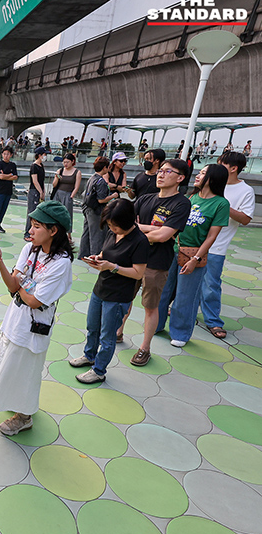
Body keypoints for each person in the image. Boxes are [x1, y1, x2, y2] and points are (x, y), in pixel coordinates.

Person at [0, 201, 73, 435]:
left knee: (26, 371)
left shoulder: (61, 263)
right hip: (16, 318)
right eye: (31, 225)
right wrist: (0, 262)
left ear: (53, 230)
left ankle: (24, 416)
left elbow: (35, 301)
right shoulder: (30, 249)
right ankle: (14, 404)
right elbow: (13, 285)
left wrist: (20, 284)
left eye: (37, 226)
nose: (30, 231)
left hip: (34, 326)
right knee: (7, 362)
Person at [69, 199, 148, 383]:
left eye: (115, 225)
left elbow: (138, 273)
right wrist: (98, 259)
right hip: (101, 288)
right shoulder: (113, 234)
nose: (112, 229)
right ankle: (89, 356)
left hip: (119, 296)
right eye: (110, 225)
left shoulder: (139, 241)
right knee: (92, 327)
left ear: (127, 221)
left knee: (108, 336)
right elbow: (106, 253)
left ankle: (99, 370)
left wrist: (112, 267)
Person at [126, 159, 191, 364]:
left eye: (167, 171)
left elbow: (163, 236)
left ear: (180, 178)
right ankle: (117, 332)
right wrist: (152, 230)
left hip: (157, 262)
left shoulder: (181, 203)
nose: (160, 175)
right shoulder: (145, 198)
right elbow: (126, 225)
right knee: (124, 299)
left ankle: (144, 348)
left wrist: (140, 229)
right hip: (133, 257)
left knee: (151, 306)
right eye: (160, 171)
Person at [157, 164, 229, 347]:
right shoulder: (191, 197)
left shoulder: (221, 204)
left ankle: (180, 333)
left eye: (203, 173)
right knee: (163, 291)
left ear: (213, 178)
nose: (198, 175)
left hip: (193, 255)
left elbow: (212, 236)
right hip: (173, 250)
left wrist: (195, 259)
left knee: (185, 296)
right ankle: (156, 325)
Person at [200, 152, 255, 339]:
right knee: (183, 280)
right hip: (193, 242)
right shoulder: (211, 183)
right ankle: (178, 310)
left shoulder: (245, 191)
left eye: (222, 164)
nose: (217, 167)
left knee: (211, 284)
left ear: (234, 168)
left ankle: (213, 321)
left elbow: (246, 218)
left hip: (216, 246)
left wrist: (222, 205)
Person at [79, 157, 118, 258]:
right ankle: (95, 255)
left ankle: (83, 254)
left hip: (87, 207)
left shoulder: (92, 178)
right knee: (97, 233)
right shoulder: (101, 181)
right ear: (104, 167)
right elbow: (101, 200)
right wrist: (113, 196)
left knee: (87, 231)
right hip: (96, 210)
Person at [0, 146, 18, 234]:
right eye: (4, 154)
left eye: (8, 154)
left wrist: (6, 175)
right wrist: (10, 175)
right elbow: (0, 177)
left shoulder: (13, 165)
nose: (6, 156)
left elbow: (15, 177)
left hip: (8, 190)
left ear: (11, 155)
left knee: (3, 209)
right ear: (2, 154)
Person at [50, 153, 81, 232]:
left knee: (67, 215)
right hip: (58, 194)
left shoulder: (77, 172)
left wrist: (71, 196)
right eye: (64, 162)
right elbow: (54, 185)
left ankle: (68, 234)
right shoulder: (60, 170)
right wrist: (57, 177)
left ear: (72, 161)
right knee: (55, 214)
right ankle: (54, 231)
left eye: (67, 162)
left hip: (68, 194)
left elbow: (76, 187)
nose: (65, 164)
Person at [25, 147, 47, 240]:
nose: (45, 156)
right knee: (32, 212)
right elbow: (35, 181)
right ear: (39, 155)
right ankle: (27, 232)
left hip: (40, 190)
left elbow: (42, 180)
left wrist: (43, 191)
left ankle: (34, 232)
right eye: (44, 154)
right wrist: (40, 191)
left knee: (38, 212)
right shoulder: (34, 166)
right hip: (34, 191)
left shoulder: (41, 166)